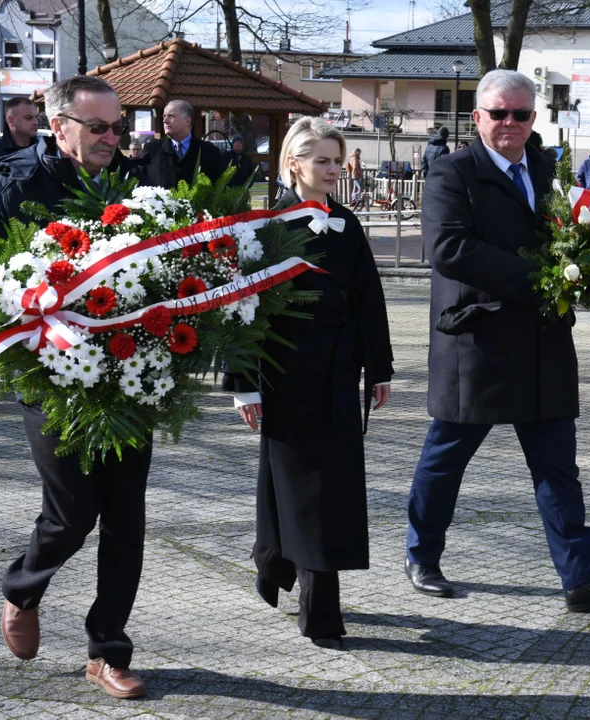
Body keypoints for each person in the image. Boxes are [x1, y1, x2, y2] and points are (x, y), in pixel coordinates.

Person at [404, 69, 590, 612]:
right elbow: (448, 249)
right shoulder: (451, 173)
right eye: (498, 114)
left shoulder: (545, 167)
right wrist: (538, 276)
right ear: (476, 118)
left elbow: (574, 232)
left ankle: (583, 579)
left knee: (558, 466)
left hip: (542, 342)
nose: (509, 123)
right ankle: (422, 555)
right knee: (446, 459)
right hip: (478, 343)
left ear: (533, 119)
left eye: (519, 115)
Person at [0, 76, 151, 700]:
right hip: (53, 380)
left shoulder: (137, 188)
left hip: (132, 376)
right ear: (59, 125)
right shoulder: (12, 188)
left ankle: (108, 650)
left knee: (126, 520)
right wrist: (41, 325)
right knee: (73, 512)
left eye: (118, 126)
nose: (111, 138)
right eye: (98, 127)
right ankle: (23, 587)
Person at [225, 117, 394, 649]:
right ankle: (320, 610)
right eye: (320, 159)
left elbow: (369, 298)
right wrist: (243, 383)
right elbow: (241, 308)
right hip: (283, 371)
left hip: (340, 370)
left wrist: (380, 368)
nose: (331, 169)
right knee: (301, 481)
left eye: (335, 159)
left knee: (331, 483)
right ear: (293, 163)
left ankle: (273, 559)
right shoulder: (265, 225)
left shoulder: (347, 221)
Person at [141, 99, 224, 189]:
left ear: (187, 121)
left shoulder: (210, 152)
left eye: (171, 116)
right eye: (164, 116)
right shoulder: (151, 150)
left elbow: (218, 190)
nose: (165, 120)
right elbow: (140, 185)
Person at [0, 97, 40, 188]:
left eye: (36, 117)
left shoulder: (43, 151)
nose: (36, 122)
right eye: (28, 118)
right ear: (11, 120)